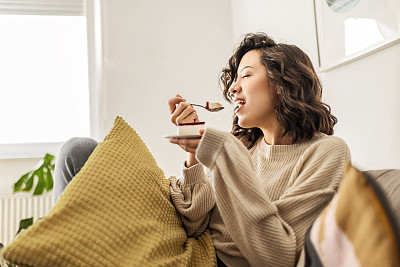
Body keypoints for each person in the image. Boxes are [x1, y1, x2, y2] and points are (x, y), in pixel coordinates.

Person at [54, 32, 351, 267]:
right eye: (233, 80)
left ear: (283, 84)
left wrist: (223, 153)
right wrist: (193, 151)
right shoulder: (245, 146)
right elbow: (194, 220)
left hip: (211, 261)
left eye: (246, 75)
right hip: (190, 242)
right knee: (78, 152)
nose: (233, 88)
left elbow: (277, 256)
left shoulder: (326, 152)